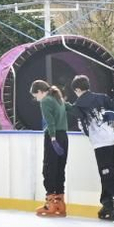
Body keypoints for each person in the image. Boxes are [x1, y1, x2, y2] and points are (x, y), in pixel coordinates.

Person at [69, 76, 114, 221]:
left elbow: (83, 128)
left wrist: (91, 133)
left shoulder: (78, 104)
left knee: (106, 173)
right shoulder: (103, 98)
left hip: (99, 142)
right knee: (108, 170)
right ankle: (107, 203)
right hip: (110, 139)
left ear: (77, 90)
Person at [29, 80, 68, 218]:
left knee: (48, 168)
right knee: (59, 169)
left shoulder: (45, 101)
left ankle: (50, 203)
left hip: (54, 136)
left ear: (40, 92)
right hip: (64, 136)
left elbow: (50, 121)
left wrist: (52, 138)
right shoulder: (58, 98)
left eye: (36, 95)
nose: (36, 98)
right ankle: (60, 203)